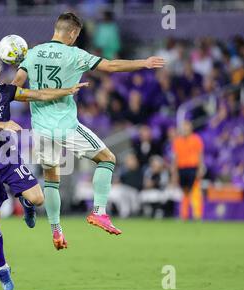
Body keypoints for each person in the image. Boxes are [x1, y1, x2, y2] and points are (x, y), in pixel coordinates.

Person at [12, 12, 165, 248]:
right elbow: (111, 66)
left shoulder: (32, 54)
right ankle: (99, 211)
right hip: (66, 127)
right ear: (72, 33)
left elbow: (15, 89)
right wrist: (143, 63)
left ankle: (56, 230)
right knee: (107, 158)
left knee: (52, 180)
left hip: (41, 129)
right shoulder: (75, 54)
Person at [0, 51, 87, 290]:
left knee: (38, 198)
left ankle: (26, 203)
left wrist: (66, 91)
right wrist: (4, 124)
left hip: (8, 158)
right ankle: (3, 268)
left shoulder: (4, 91)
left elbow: (38, 94)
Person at [171, 120, 205, 220]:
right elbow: (175, 158)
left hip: (193, 168)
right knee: (184, 192)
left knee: (195, 191)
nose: (185, 129)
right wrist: (174, 172)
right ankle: (184, 215)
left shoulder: (196, 139)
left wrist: (200, 168)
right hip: (181, 168)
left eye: (187, 127)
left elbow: (200, 155)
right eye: (183, 128)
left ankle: (197, 215)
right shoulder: (177, 141)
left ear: (190, 128)